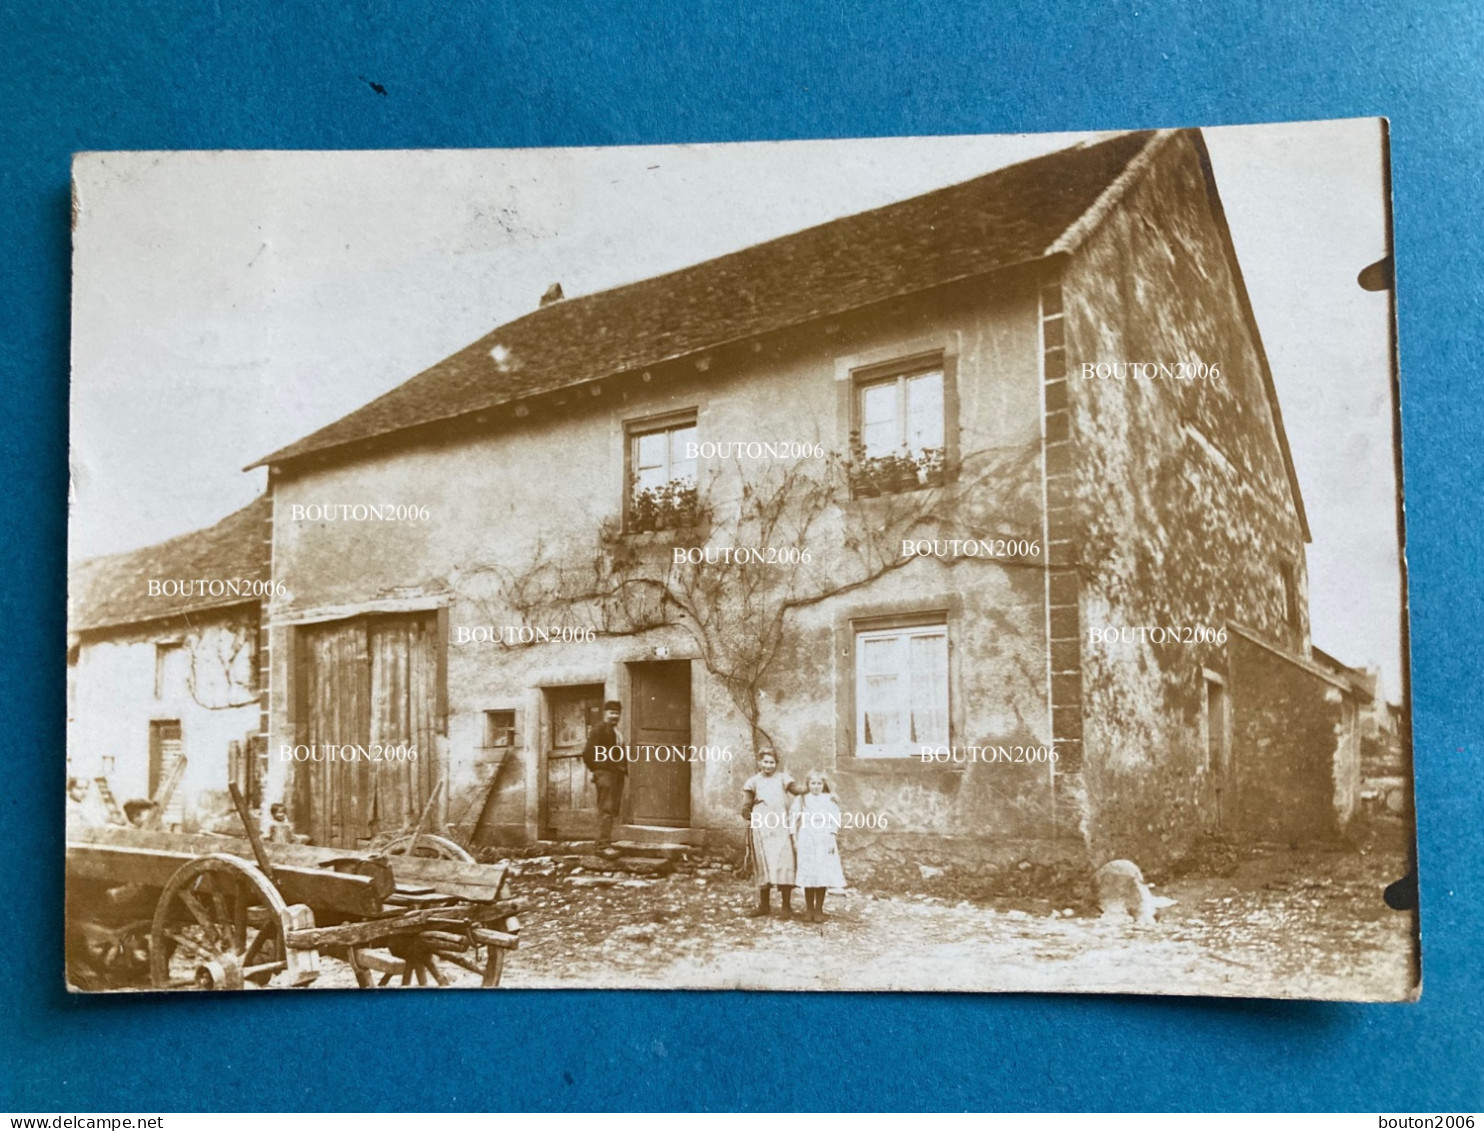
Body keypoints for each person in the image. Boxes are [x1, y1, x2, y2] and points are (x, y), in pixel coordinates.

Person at [741, 747, 806, 920]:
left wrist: (815, 787)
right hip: (761, 827)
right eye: (765, 762)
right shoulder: (753, 781)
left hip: (781, 826)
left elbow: (798, 790)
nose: (768, 765)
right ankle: (764, 905)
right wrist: (747, 811)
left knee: (785, 862)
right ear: (759, 763)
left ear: (776, 764)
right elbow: (746, 803)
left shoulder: (783, 779)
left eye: (771, 762)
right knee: (763, 864)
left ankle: (786, 906)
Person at [792, 770, 846, 922]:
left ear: (824, 785)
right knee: (809, 872)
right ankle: (809, 908)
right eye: (813, 783)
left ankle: (818, 909)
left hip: (824, 838)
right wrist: (794, 838)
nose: (816, 787)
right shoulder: (801, 799)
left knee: (822, 872)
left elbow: (835, 820)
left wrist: (831, 837)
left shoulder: (829, 799)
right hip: (807, 838)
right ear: (807, 784)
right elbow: (793, 818)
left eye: (819, 783)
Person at [581, 700, 626, 850]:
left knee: (612, 809)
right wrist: (596, 770)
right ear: (605, 713)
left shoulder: (616, 732)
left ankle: (605, 841)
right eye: (612, 713)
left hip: (616, 773)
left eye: (617, 713)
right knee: (606, 808)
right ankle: (602, 845)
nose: (615, 716)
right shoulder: (598, 730)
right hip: (605, 774)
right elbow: (587, 753)